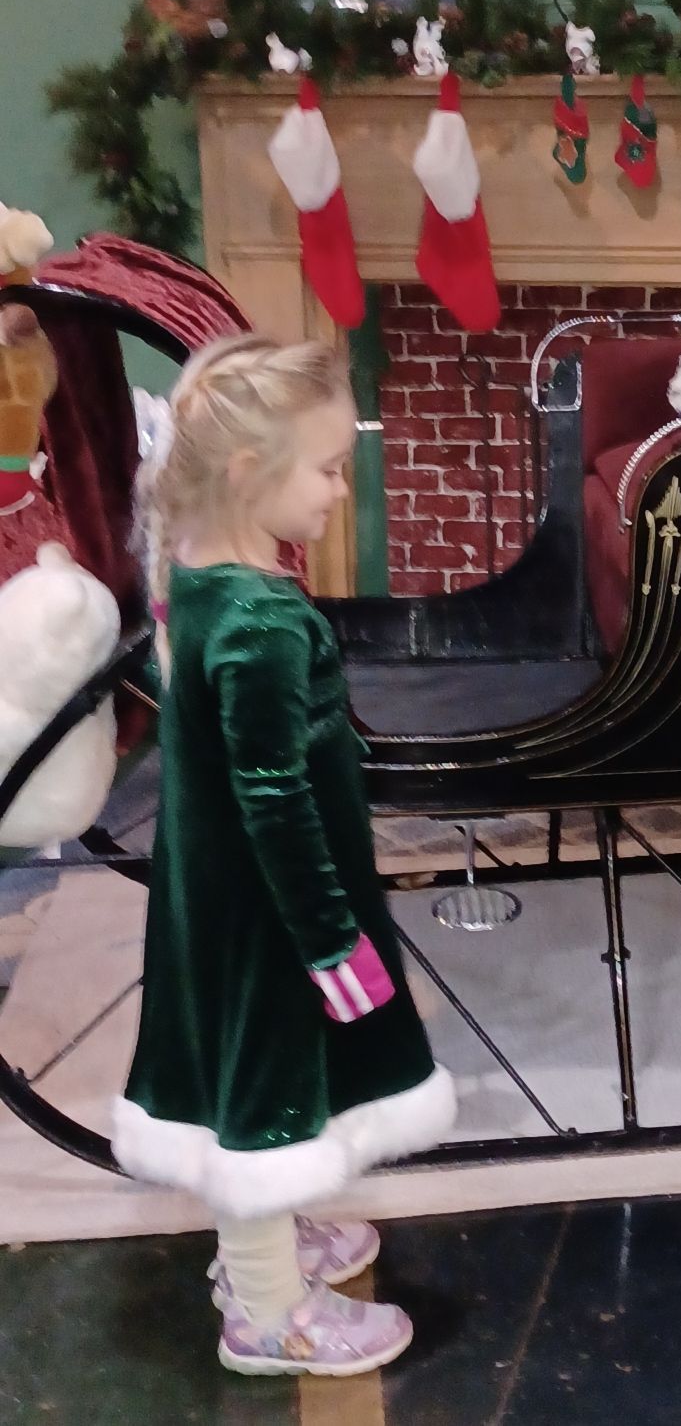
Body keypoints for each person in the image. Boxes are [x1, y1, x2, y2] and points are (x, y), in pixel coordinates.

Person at [114, 336, 455, 1376]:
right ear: (248, 474)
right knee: (262, 1095)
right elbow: (274, 798)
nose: (340, 489)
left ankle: (261, 1243)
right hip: (270, 911)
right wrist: (330, 939)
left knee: (260, 1074)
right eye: (324, 467)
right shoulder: (259, 621)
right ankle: (266, 1310)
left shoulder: (205, 579)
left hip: (214, 893)